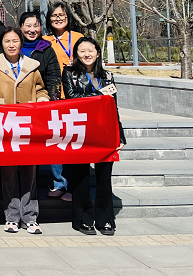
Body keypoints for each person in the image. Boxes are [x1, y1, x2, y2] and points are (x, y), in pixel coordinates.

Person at [0, 27, 49, 234]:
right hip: (5, 125)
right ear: (2, 44)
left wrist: (42, 99)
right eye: (7, 41)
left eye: (15, 41)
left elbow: (40, 89)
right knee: (8, 171)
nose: (11, 45)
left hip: (28, 125)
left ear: (21, 43)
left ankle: (30, 216)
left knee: (30, 171)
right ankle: (11, 216)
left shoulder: (32, 66)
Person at [63, 37, 126, 236]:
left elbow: (113, 107)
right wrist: (99, 96)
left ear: (98, 53)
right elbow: (72, 98)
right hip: (80, 130)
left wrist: (120, 136)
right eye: (82, 51)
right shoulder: (70, 73)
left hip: (104, 131)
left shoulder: (107, 76)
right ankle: (83, 218)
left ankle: (105, 218)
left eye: (90, 50)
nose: (87, 54)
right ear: (76, 54)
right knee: (81, 177)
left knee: (104, 177)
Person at [43, 1, 83, 201]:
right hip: (54, 96)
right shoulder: (45, 40)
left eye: (62, 15)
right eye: (54, 15)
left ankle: (74, 185)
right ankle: (59, 183)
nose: (58, 18)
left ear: (68, 17)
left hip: (74, 96)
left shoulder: (77, 38)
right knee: (56, 141)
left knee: (73, 141)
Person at [20, 11, 61, 99]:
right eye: (28, 26)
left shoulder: (47, 50)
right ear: (21, 27)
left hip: (41, 99)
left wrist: (51, 101)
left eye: (36, 26)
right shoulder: (11, 48)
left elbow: (54, 80)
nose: (32, 30)